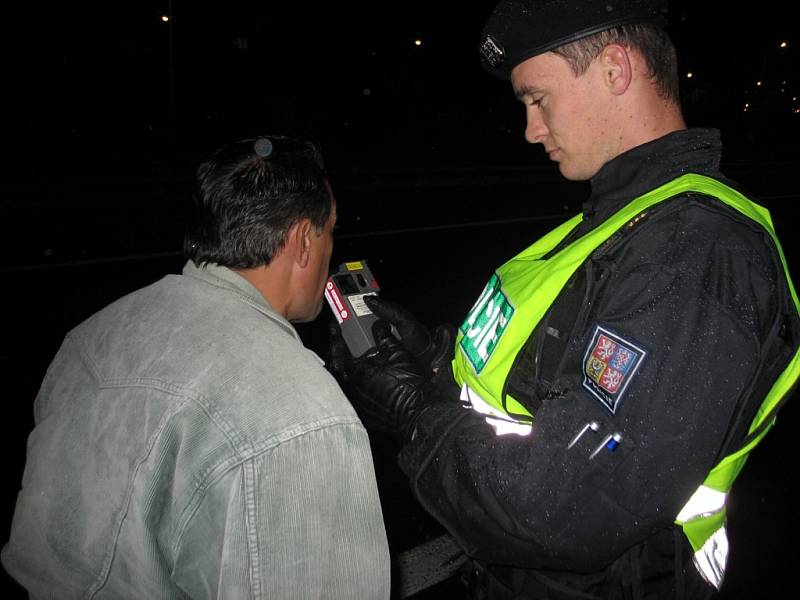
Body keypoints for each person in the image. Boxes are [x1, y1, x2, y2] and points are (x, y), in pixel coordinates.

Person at [329, 1, 800, 598]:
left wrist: (413, 410)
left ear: (614, 70)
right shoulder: (625, 220)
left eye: (537, 100)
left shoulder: (695, 253)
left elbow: (561, 507)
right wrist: (429, 362)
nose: (531, 130)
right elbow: (544, 386)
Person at [2, 135, 391, 599]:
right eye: (330, 229)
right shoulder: (305, 416)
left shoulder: (91, 337)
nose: (333, 247)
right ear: (304, 241)